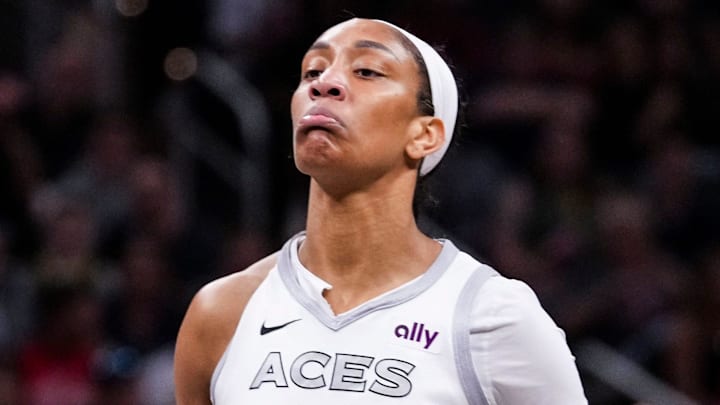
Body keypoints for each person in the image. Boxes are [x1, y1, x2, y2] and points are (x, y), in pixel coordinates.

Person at [174, 17, 587, 404]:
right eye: (313, 72)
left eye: (367, 71)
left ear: (424, 134)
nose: (325, 84)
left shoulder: (493, 315)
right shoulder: (222, 311)